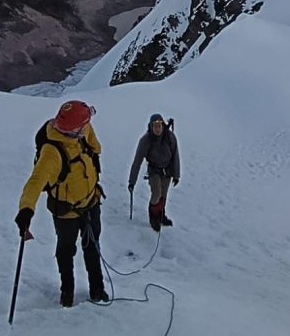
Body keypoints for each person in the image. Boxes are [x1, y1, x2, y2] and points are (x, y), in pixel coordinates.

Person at [14, 100, 109, 307]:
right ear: (74, 129)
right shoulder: (52, 152)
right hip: (66, 212)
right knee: (66, 251)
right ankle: (67, 291)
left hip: (91, 202)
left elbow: (95, 147)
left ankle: (97, 288)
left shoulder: (83, 130)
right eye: (85, 123)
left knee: (92, 246)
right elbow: (36, 181)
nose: (88, 125)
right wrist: (26, 210)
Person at [128, 113, 180, 232]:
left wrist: (176, 174)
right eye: (155, 126)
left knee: (163, 195)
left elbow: (175, 155)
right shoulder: (146, 140)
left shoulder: (170, 137)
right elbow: (137, 161)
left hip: (167, 170)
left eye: (159, 125)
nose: (157, 128)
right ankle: (153, 217)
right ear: (151, 127)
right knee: (156, 193)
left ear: (163, 125)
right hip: (154, 170)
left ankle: (161, 215)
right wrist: (132, 182)